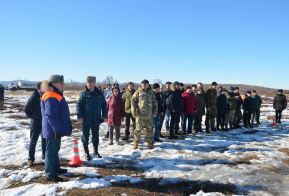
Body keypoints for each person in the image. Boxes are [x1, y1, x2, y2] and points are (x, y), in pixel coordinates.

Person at [41, 75, 72, 182]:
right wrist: (57, 129)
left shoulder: (55, 94)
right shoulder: (51, 96)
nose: (62, 85)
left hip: (54, 128)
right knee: (50, 151)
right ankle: (50, 173)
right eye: (60, 83)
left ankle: (55, 168)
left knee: (55, 150)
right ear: (54, 84)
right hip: (52, 129)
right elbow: (51, 115)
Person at [76, 76, 108, 160]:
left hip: (96, 119)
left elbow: (104, 106)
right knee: (85, 136)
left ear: (94, 83)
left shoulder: (100, 95)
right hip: (86, 119)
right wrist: (80, 117)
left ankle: (95, 151)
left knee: (95, 136)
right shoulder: (83, 94)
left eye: (91, 82)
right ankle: (86, 153)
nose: (89, 84)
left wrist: (104, 116)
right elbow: (78, 106)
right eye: (88, 82)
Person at [131, 79, 158, 149]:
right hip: (140, 115)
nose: (144, 84)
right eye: (143, 83)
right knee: (138, 130)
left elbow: (155, 103)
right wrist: (134, 112)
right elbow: (133, 102)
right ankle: (136, 143)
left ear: (148, 85)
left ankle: (150, 143)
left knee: (149, 130)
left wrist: (155, 112)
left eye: (145, 84)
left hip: (149, 115)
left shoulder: (151, 93)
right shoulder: (138, 92)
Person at [24, 82, 46, 166]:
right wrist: (33, 117)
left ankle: (44, 156)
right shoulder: (33, 97)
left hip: (43, 122)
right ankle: (30, 159)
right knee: (33, 141)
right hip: (35, 122)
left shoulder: (44, 96)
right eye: (42, 88)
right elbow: (27, 110)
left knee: (44, 139)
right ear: (38, 89)